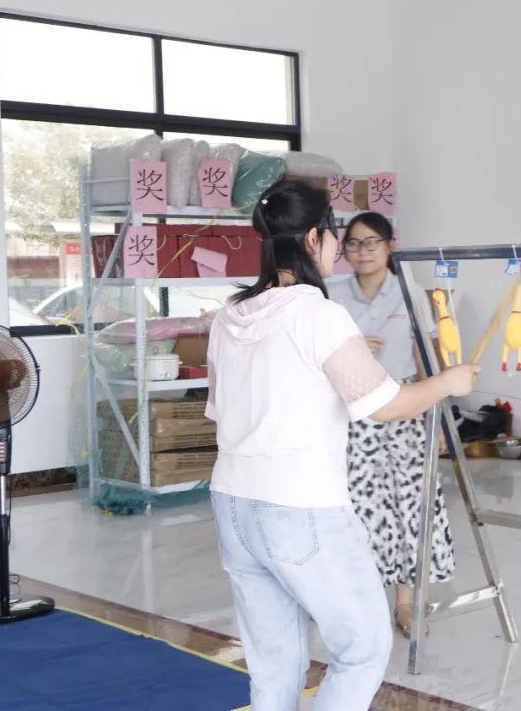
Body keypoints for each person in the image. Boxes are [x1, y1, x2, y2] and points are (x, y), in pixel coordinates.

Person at [205, 180, 480, 711]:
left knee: (274, 662)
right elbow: (383, 404)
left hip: (233, 503)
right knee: (362, 649)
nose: (341, 248)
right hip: (299, 505)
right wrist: (449, 383)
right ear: (314, 237)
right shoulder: (319, 314)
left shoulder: (230, 314)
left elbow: (220, 408)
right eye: (336, 236)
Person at [328, 211, 455, 639]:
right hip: (351, 414)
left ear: (389, 246)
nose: (362, 252)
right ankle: (357, 604)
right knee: (357, 509)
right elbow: (315, 354)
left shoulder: (410, 293)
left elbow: (425, 359)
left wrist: (438, 418)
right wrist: (349, 349)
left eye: (372, 243)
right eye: (354, 243)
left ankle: (406, 603)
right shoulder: (330, 295)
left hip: (404, 408)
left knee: (410, 506)